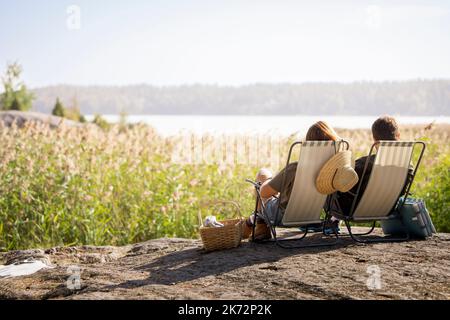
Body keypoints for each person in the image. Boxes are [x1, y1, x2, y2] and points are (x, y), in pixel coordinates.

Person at [242, 121, 340, 240]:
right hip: (312, 216)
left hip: (282, 216)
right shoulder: (334, 171)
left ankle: (261, 225)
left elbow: (264, 193)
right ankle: (256, 224)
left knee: (263, 173)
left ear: (308, 145)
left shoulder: (295, 169)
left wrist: (269, 181)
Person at [335, 116, 414, 215]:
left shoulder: (364, 164)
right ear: (398, 135)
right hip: (389, 210)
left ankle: (331, 222)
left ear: (374, 140)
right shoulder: (407, 165)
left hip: (355, 209)